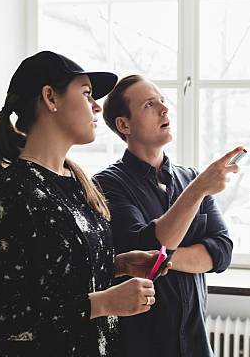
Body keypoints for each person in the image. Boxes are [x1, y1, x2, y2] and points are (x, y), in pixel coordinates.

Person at [0, 52, 169, 357]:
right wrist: (103, 303)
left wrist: (117, 265)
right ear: (50, 97)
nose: (97, 106)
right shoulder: (10, 194)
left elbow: (53, 276)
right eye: (87, 93)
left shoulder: (77, 182)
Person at [93, 74, 242, 357]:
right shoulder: (107, 184)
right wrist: (197, 193)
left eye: (162, 100)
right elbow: (144, 251)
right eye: (150, 104)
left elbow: (222, 252)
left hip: (195, 344)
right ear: (124, 124)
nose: (165, 109)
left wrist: (165, 255)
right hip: (140, 347)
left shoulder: (190, 178)